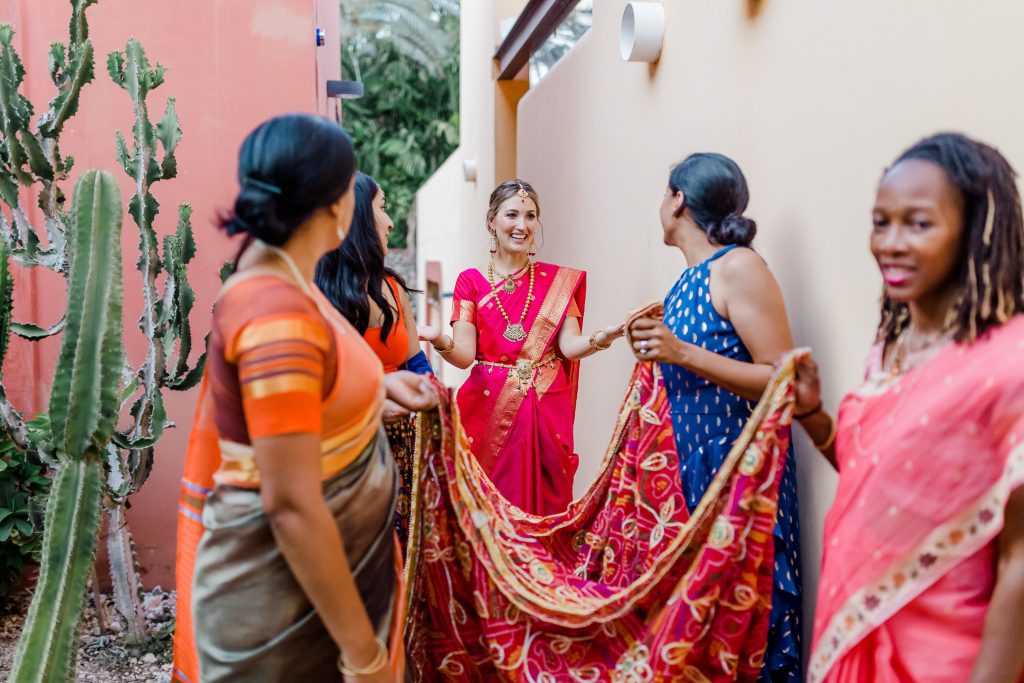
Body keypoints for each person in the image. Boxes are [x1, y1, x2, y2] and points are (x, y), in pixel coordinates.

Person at [171, 113, 435, 683]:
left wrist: (378, 388)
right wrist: (363, 654)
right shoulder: (276, 313)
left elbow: (309, 395)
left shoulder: (291, 284)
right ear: (336, 202)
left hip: (314, 591)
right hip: (286, 611)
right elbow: (291, 506)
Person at [794, 133, 1024, 683]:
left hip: (948, 658)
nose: (891, 243)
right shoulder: (890, 352)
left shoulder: (1007, 365)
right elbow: (878, 487)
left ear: (971, 232)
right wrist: (815, 417)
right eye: (881, 222)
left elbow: (1020, 561)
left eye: (918, 224)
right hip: (857, 639)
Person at [628, 153, 803, 681]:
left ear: (678, 199)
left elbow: (783, 376)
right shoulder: (684, 284)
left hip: (736, 472)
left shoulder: (738, 267)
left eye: (665, 194)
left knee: (742, 622)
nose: (661, 205)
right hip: (687, 475)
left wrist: (680, 352)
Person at [418, 179, 625, 515]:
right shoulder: (470, 281)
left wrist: (602, 338)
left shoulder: (556, 282)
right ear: (491, 221)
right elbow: (465, 356)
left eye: (530, 216)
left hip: (545, 405)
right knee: (490, 509)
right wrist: (439, 338)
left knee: (548, 506)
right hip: (488, 409)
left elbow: (570, 347)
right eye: (512, 214)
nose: (522, 225)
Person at [315, 171, 431, 551]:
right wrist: (371, 407)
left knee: (408, 549)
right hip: (344, 449)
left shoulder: (394, 289)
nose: (391, 221)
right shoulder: (317, 296)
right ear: (359, 218)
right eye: (382, 208)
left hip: (402, 449)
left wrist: (431, 398)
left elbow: (417, 362)